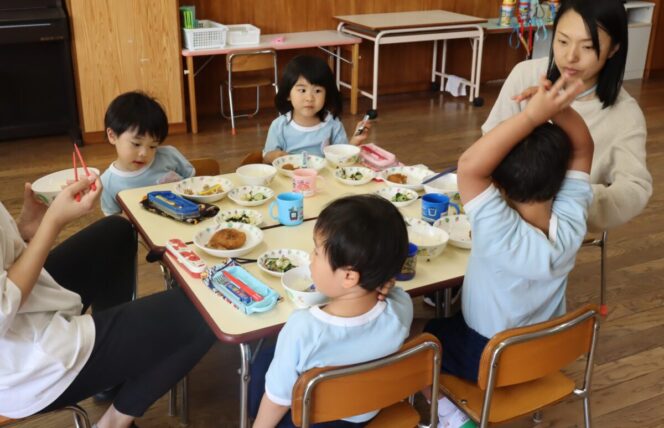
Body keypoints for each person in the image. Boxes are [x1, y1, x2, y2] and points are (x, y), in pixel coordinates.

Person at [420, 75, 594, 425]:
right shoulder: (573, 221)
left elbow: (469, 167)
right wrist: (558, 110)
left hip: (486, 354)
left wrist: (532, 116)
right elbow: (583, 148)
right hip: (542, 351)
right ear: (562, 178)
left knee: (419, 339)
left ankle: (454, 416)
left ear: (496, 184)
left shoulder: (498, 229)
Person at [0, 176, 216, 428]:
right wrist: (51, 223)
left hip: (26, 308)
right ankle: (113, 423)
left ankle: (110, 377)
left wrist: (26, 232)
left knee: (116, 231)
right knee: (206, 309)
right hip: (24, 367)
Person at [482, 0, 651, 232]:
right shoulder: (526, 74)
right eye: (562, 41)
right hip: (499, 210)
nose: (570, 56)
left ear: (614, 48)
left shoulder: (626, 115)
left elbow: (635, 188)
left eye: (588, 47)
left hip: (561, 230)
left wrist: (570, 202)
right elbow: (489, 139)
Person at [250, 195, 413, 428]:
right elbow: (397, 293)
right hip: (366, 411)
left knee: (261, 368)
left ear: (348, 277)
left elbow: (278, 401)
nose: (310, 257)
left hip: (311, 420)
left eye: (317, 252)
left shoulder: (303, 328)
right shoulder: (399, 310)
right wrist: (384, 281)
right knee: (268, 358)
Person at [100, 91, 195, 216]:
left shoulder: (169, 156)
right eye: (136, 144)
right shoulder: (107, 182)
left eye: (153, 146)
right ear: (112, 136)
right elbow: (113, 220)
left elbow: (193, 184)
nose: (144, 153)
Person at [262, 55, 370, 164]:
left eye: (317, 91)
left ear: (326, 95)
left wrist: (355, 141)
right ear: (288, 94)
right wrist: (275, 155)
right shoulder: (279, 126)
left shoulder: (333, 124)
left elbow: (342, 158)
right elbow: (266, 158)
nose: (309, 98)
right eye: (302, 90)